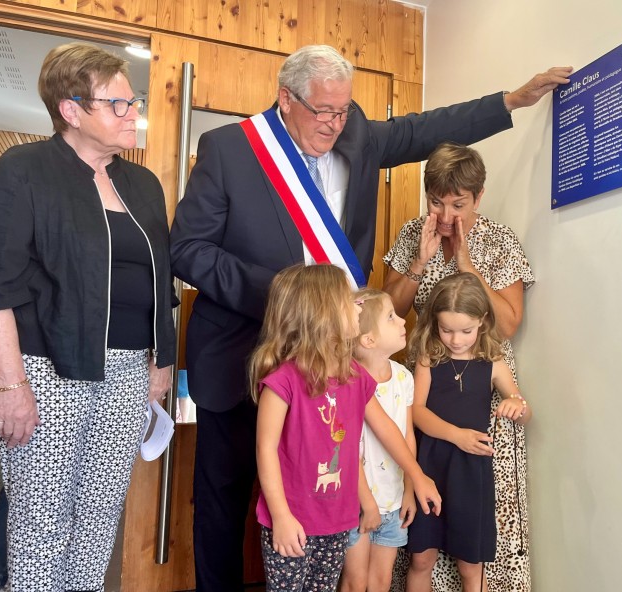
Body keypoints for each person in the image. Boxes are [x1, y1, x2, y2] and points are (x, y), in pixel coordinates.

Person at [169, 42, 571, 590]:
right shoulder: (230, 149)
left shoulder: (356, 133)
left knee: (325, 496)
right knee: (227, 498)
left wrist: (511, 101)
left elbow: (428, 127)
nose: (335, 124)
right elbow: (188, 250)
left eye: (343, 110)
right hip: (243, 352)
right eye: (323, 111)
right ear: (286, 99)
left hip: (335, 363)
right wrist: (287, 295)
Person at [0, 42, 176, 591]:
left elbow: (160, 280)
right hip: (46, 371)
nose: (133, 113)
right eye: (118, 103)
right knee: (41, 522)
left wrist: (161, 360)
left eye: (133, 101)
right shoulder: (21, 173)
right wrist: (10, 384)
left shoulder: (142, 184)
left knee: (98, 518)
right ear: (71, 110)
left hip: (126, 373)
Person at [382, 143, 535, 591]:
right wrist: (419, 262)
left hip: (481, 395)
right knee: (423, 533)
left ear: (478, 197)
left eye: (459, 204)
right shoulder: (414, 233)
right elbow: (387, 311)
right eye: (437, 202)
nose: (446, 216)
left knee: (474, 536)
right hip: (427, 385)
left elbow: (507, 325)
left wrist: (469, 270)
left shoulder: (499, 240)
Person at [248, 264, 440, 591]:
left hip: (337, 520)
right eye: (350, 301)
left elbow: (386, 429)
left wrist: (417, 475)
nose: (359, 306)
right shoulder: (282, 381)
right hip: (291, 519)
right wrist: (280, 516)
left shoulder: (354, 375)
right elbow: (265, 450)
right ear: (322, 315)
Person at [405, 273, 532, 592]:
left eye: (466, 331)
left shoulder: (493, 363)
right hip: (430, 466)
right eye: (446, 330)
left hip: (471, 472)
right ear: (435, 322)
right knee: (421, 559)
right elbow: (417, 412)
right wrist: (456, 435)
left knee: (470, 565)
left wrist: (516, 405)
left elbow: (523, 409)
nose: (456, 340)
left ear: (483, 321)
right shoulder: (428, 358)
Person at [339, 288, 415, 592]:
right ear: (368, 340)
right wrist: (367, 503)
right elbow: (347, 448)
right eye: (391, 317)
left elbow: (407, 436)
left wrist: (409, 489)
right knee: (355, 582)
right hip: (357, 502)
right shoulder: (347, 381)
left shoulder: (403, 377)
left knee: (380, 581)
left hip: (393, 500)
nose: (403, 321)